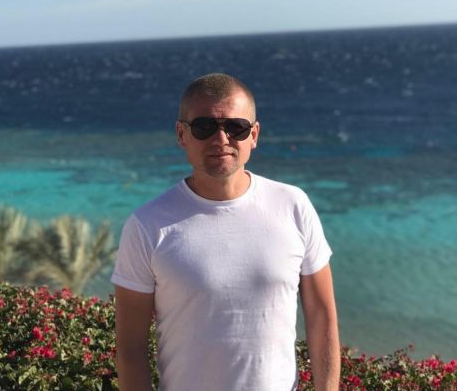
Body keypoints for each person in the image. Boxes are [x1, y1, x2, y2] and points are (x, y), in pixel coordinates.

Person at [112, 73, 340, 390]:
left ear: (254, 135)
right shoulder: (147, 225)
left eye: (236, 127)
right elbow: (130, 349)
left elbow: (322, 318)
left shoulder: (293, 206)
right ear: (181, 134)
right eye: (204, 127)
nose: (221, 139)